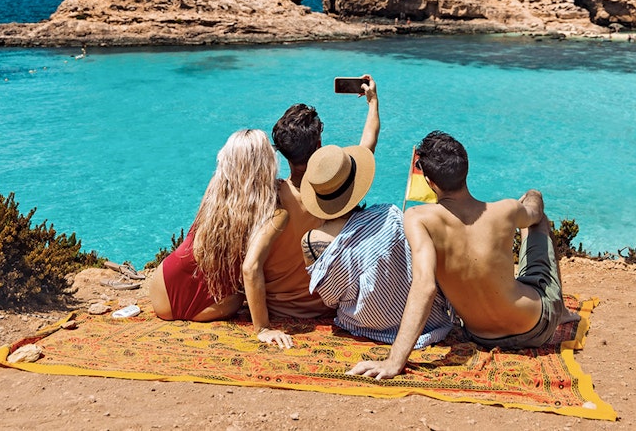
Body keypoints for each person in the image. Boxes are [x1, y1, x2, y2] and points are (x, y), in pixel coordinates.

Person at [348, 131, 576, 380]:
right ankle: (560, 311)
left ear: (430, 181)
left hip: (481, 335)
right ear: (465, 170)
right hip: (537, 325)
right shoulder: (506, 209)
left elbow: (424, 286)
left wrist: (394, 362)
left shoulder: (419, 218)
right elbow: (534, 212)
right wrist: (532, 197)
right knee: (538, 219)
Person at [241, 75, 380, 348]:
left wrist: (263, 327)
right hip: (327, 309)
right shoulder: (338, 193)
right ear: (318, 146)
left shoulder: (269, 197)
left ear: (282, 152)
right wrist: (373, 103)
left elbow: (250, 267)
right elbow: (368, 145)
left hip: (278, 311)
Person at [299, 144, 454, 348]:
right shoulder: (389, 215)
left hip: (361, 326)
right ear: (355, 184)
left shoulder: (311, 243)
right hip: (426, 326)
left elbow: (330, 300)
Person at [147, 129, 278, 321]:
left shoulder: (216, 187)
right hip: (217, 302)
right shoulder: (270, 204)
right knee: (239, 293)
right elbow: (252, 267)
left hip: (164, 291)